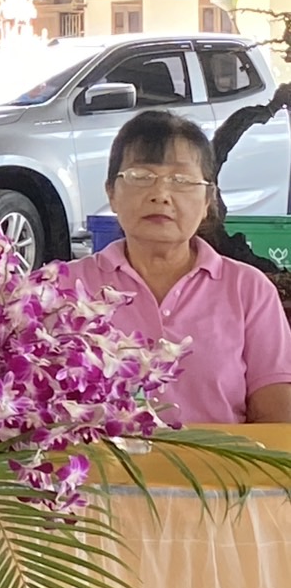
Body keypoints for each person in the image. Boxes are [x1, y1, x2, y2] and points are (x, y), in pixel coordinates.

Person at [63, 109, 291, 423]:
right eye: (141, 177)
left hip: (222, 457)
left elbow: (277, 411)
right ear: (111, 193)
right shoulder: (66, 287)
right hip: (97, 456)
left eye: (181, 180)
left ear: (208, 200)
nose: (161, 195)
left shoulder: (248, 289)